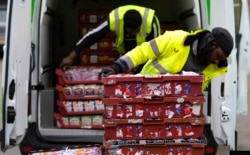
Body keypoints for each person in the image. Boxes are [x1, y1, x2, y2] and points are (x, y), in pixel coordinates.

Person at [99, 27, 234, 90]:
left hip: (175, 113)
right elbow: (143, 51)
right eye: (218, 56)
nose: (217, 62)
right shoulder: (176, 40)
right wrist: (116, 67)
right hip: (146, 94)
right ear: (212, 45)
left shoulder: (213, 67)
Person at [59, 5, 161, 70]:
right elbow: (93, 35)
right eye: (132, 32)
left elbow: (156, 51)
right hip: (126, 50)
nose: (135, 34)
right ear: (125, 26)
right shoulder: (115, 18)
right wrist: (71, 56)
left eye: (137, 30)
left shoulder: (151, 22)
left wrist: (139, 65)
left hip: (146, 50)